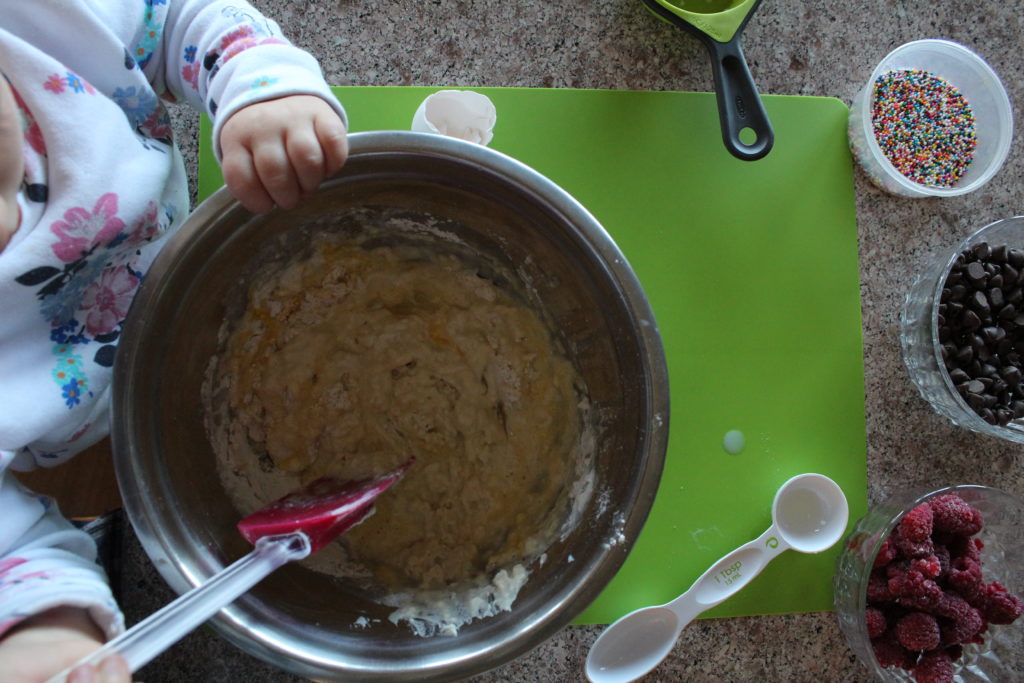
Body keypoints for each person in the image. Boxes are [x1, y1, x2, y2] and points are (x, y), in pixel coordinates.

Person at [0, 1, 349, 680]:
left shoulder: (41, 15)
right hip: (79, 437)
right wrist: (44, 630)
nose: (13, 227)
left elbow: (174, 17)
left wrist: (259, 82)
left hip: (167, 237)